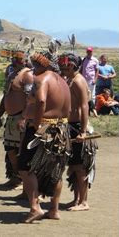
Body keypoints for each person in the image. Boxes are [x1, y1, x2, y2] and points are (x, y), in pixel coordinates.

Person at [18, 52, 71, 222]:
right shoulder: (63, 82)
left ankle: (35, 207)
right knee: (56, 170)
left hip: (44, 130)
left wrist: (37, 123)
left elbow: (41, 101)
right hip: (61, 129)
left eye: (35, 65)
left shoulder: (42, 80)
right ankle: (54, 210)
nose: (33, 70)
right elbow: (68, 109)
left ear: (43, 65)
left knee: (26, 168)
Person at [58, 52, 98, 211]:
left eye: (65, 65)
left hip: (78, 127)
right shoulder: (71, 80)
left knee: (81, 166)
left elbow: (84, 106)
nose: (62, 67)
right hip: (71, 125)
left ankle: (83, 202)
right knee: (73, 166)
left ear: (72, 65)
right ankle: (76, 200)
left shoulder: (79, 81)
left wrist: (82, 131)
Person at [0, 50, 33, 188]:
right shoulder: (11, 75)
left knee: (21, 151)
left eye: (19, 59)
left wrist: (24, 117)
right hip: (11, 118)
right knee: (10, 149)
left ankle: (23, 179)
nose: (15, 61)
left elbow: (30, 99)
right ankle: (16, 177)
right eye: (14, 58)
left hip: (21, 117)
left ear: (25, 60)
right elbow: (5, 97)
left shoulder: (28, 75)